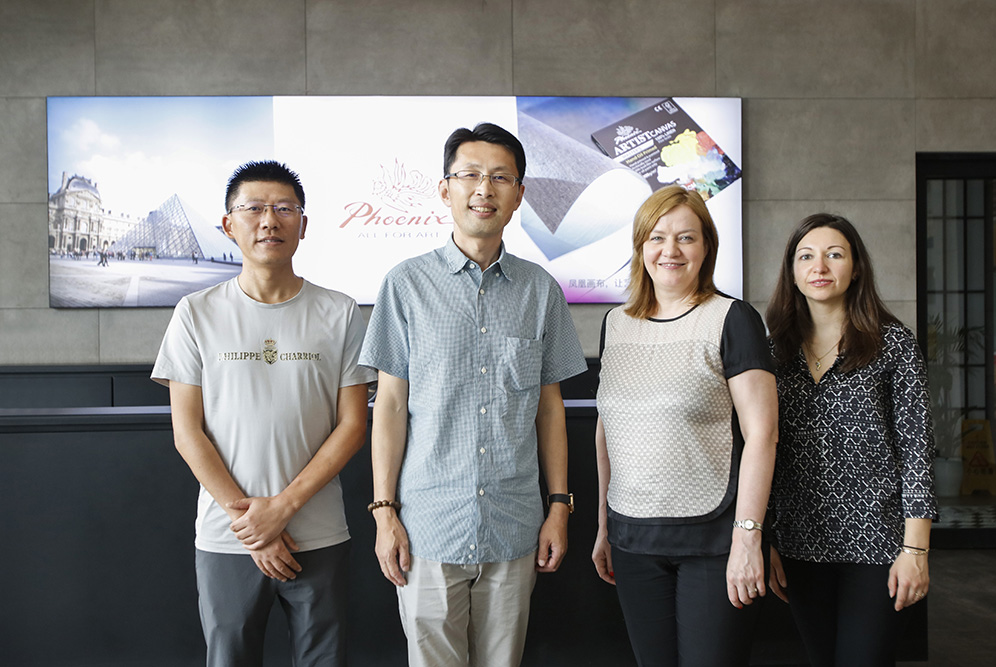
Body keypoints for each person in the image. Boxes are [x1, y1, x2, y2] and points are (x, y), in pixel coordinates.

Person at [359, 122, 587, 667]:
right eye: (470, 175)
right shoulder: (405, 285)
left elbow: (549, 409)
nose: (484, 189)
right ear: (446, 189)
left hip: (515, 524)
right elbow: (389, 406)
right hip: (427, 527)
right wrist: (384, 512)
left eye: (500, 178)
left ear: (519, 195)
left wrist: (559, 506)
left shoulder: (541, 290)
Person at [151, 160, 374, 666]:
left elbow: (352, 426)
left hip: (318, 534)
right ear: (228, 224)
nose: (269, 220)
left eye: (284, 209)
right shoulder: (195, 312)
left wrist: (281, 510)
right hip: (228, 538)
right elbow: (187, 432)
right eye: (253, 208)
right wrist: (252, 526)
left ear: (303, 224)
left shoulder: (340, 312)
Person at [591, 185, 778, 667]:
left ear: (706, 247)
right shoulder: (616, 323)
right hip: (632, 540)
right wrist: (603, 526)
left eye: (686, 237)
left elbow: (763, 435)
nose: (670, 250)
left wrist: (748, 538)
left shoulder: (733, 319)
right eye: (656, 237)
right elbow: (607, 432)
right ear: (641, 247)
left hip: (714, 541)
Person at [765, 213, 937, 666]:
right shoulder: (773, 351)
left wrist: (916, 549)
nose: (819, 266)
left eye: (834, 254)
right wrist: (766, 538)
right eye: (806, 256)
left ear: (856, 268)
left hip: (880, 545)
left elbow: (917, 452)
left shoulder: (893, 344)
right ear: (792, 271)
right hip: (800, 544)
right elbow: (762, 450)